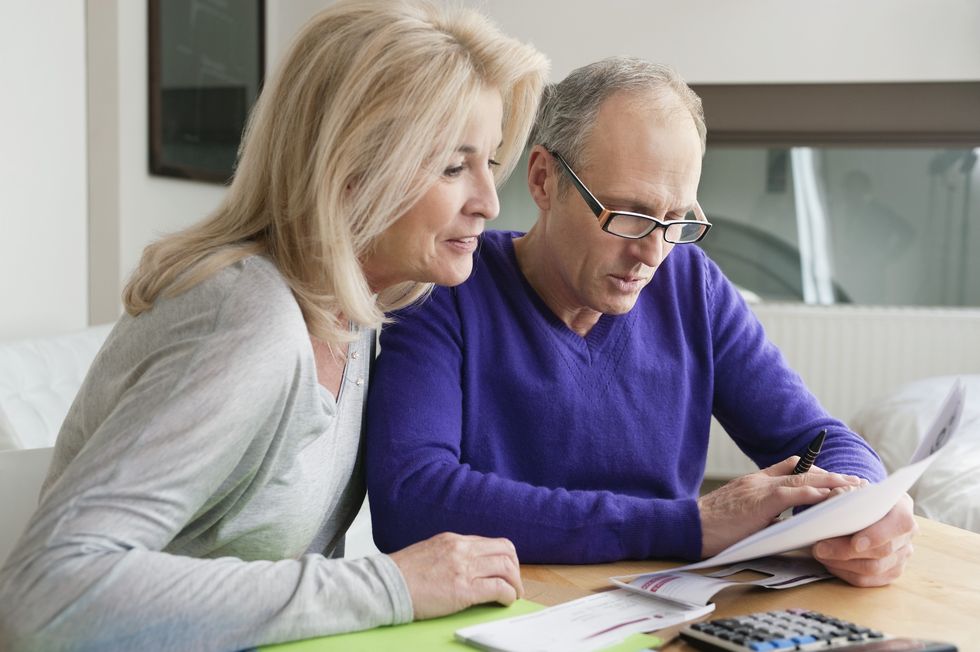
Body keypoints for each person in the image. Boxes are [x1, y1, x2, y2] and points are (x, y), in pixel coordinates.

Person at [0, 2, 548, 650]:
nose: (488, 202)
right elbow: (46, 593)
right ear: (351, 168)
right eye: (455, 167)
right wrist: (390, 585)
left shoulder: (353, 316)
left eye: (490, 163)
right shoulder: (248, 320)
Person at [365, 57, 917, 588]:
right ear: (543, 179)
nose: (652, 254)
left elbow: (818, 438)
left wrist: (860, 506)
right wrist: (687, 525)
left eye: (676, 220)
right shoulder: (444, 287)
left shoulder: (691, 284)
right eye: (628, 216)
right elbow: (410, 498)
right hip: (503, 610)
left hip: (661, 606)